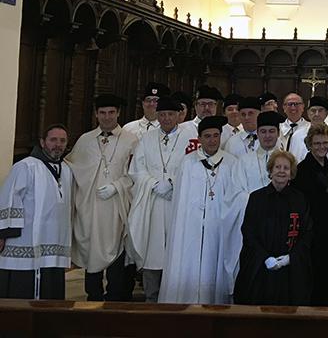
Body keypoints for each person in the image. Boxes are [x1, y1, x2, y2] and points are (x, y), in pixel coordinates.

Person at [159, 115, 247, 304]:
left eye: (216, 136)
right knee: (189, 265)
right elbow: (180, 202)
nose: (212, 140)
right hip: (190, 227)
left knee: (213, 265)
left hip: (218, 228)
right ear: (199, 138)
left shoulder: (231, 163)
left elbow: (236, 199)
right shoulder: (188, 163)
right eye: (207, 136)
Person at [68, 94, 137, 301]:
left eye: (111, 112)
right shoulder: (85, 140)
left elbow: (136, 174)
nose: (107, 117)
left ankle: (115, 298)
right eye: (102, 113)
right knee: (91, 251)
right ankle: (93, 296)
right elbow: (71, 169)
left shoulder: (131, 140)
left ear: (118, 113)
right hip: (89, 207)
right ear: (96, 114)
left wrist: (117, 186)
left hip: (116, 207)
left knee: (117, 250)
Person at [126, 96, 193, 302]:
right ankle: (151, 297)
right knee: (152, 250)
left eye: (170, 114)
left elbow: (194, 167)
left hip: (178, 202)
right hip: (152, 202)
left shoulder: (190, 138)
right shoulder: (146, 138)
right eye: (162, 115)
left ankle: (175, 298)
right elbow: (136, 169)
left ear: (178, 116)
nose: (165, 118)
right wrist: (154, 184)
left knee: (177, 250)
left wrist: (172, 183)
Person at [0, 124, 73, 299]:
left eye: (62, 141)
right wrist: (4, 233)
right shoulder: (26, 166)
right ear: (42, 142)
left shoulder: (67, 169)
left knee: (51, 285)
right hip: (25, 239)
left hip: (54, 240)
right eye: (53, 140)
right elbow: (9, 198)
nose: (58, 144)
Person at [234, 151, 312, 306]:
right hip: (261, 268)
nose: (281, 171)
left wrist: (291, 258)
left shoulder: (300, 199)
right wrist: (265, 257)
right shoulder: (256, 198)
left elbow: (307, 232)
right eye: (277, 167)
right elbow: (249, 232)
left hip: (290, 270)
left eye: (286, 168)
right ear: (270, 171)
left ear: (291, 174)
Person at [294, 121, 328, 305]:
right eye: (317, 143)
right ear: (309, 145)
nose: (322, 147)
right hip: (311, 230)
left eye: (325, 143)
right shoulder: (302, 170)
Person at [239, 110, 284, 192]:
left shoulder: (287, 160)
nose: (267, 136)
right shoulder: (244, 161)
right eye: (263, 131)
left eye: (271, 131)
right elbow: (238, 191)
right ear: (258, 133)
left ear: (278, 134)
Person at [280, 92, 310, 162]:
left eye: (296, 104)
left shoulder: (311, 128)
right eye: (290, 104)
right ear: (284, 108)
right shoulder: (277, 129)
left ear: (303, 107)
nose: (293, 107)